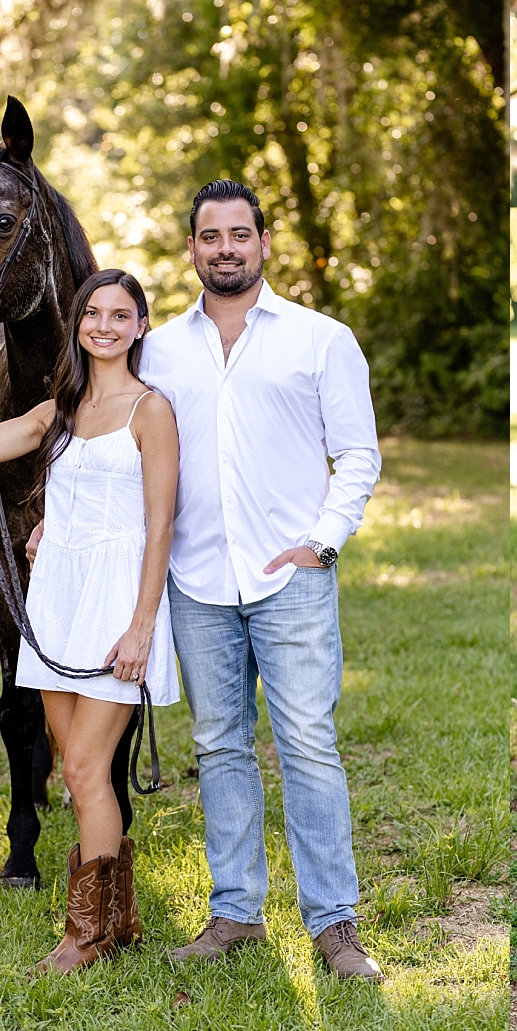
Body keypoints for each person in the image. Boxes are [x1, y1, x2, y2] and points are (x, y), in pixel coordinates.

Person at [138, 179, 385, 980]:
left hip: (291, 578)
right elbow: (123, 444)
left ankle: (335, 924)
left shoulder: (320, 339)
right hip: (197, 578)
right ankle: (237, 912)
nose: (226, 249)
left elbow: (358, 454)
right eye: (210, 237)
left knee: (309, 744)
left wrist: (322, 541)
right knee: (218, 745)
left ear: (264, 242)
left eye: (239, 234)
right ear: (192, 249)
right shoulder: (160, 349)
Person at [0, 267, 180, 973]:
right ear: (78, 323)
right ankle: (118, 915)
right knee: (76, 775)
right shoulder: (58, 410)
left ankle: (85, 934)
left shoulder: (149, 410)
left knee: (82, 765)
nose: (104, 324)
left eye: (120, 314)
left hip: (114, 606)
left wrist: (141, 626)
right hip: (57, 602)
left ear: (139, 326)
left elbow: (160, 522)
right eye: (92, 312)